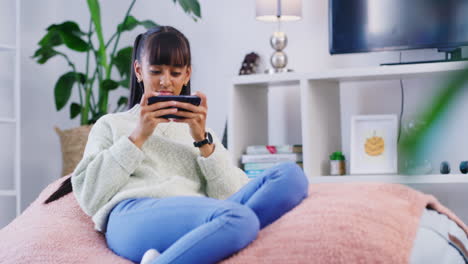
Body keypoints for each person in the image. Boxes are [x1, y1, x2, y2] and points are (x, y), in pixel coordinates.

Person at [44, 26, 309, 264]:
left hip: (199, 216)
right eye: (156, 71)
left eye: (175, 72)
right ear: (138, 71)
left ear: (187, 75)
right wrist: (138, 135)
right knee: (240, 219)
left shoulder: (203, 133)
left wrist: (203, 141)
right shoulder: (112, 124)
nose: (165, 81)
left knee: (291, 176)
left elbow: (230, 195)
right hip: (133, 216)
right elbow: (89, 195)